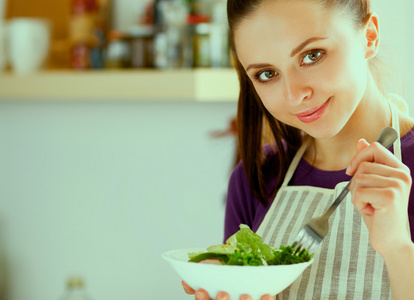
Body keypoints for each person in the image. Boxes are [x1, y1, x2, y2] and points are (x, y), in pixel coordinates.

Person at [183, 0, 414, 299]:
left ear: (369, 36)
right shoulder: (254, 178)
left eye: (312, 55)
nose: (294, 96)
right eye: (267, 73)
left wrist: (397, 247)